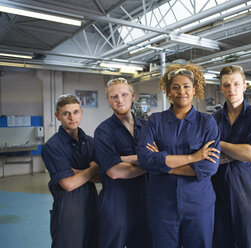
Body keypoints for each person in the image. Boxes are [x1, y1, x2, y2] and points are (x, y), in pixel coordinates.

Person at [137, 64, 220, 248]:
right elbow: (145, 160)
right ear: (168, 91)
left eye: (186, 86)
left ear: (194, 89)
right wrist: (193, 157)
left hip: (198, 205)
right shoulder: (155, 121)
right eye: (175, 87)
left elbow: (209, 167)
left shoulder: (207, 123)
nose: (181, 91)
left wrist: (163, 165)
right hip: (162, 205)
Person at [212, 65, 251, 248]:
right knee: (220, 243)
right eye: (226, 85)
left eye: (236, 84)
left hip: (248, 193)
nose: (231, 89)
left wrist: (220, 144)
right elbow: (205, 152)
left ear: (244, 86)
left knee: (249, 243)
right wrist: (238, 151)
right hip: (218, 192)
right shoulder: (212, 120)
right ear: (221, 89)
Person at [94, 78, 152, 248]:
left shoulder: (147, 127)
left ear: (132, 96)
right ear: (108, 100)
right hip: (116, 201)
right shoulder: (103, 131)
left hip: (146, 198)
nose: (119, 100)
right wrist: (149, 164)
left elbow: (158, 155)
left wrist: (125, 158)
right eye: (114, 97)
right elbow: (114, 172)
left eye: (124, 94)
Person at [41, 94, 99, 248]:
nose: (72, 117)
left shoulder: (90, 142)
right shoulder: (53, 147)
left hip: (92, 207)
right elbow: (68, 184)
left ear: (81, 112)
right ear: (57, 116)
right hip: (68, 212)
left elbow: (103, 177)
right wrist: (93, 167)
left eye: (75, 112)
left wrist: (79, 173)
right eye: (66, 113)